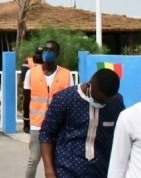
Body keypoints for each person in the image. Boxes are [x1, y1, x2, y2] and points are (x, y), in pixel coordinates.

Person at [39, 68, 124, 177]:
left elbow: (120, 136)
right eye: (97, 99)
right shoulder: (65, 99)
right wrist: (49, 170)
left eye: (104, 101)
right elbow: (46, 134)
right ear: (90, 85)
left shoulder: (116, 103)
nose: (100, 103)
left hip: (101, 172)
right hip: (66, 171)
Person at [24, 40, 72, 178]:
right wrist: (26, 120)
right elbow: (27, 99)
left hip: (59, 126)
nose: (47, 53)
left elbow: (70, 101)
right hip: (37, 124)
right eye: (45, 49)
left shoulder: (66, 74)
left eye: (51, 50)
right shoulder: (31, 73)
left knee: (56, 161)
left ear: (57, 53)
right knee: (33, 159)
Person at [20, 48, 43, 134]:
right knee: (27, 105)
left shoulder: (45, 61)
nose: (38, 55)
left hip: (41, 88)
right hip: (29, 87)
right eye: (37, 53)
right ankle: (26, 124)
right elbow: (23, 75)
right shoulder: (28, 61)